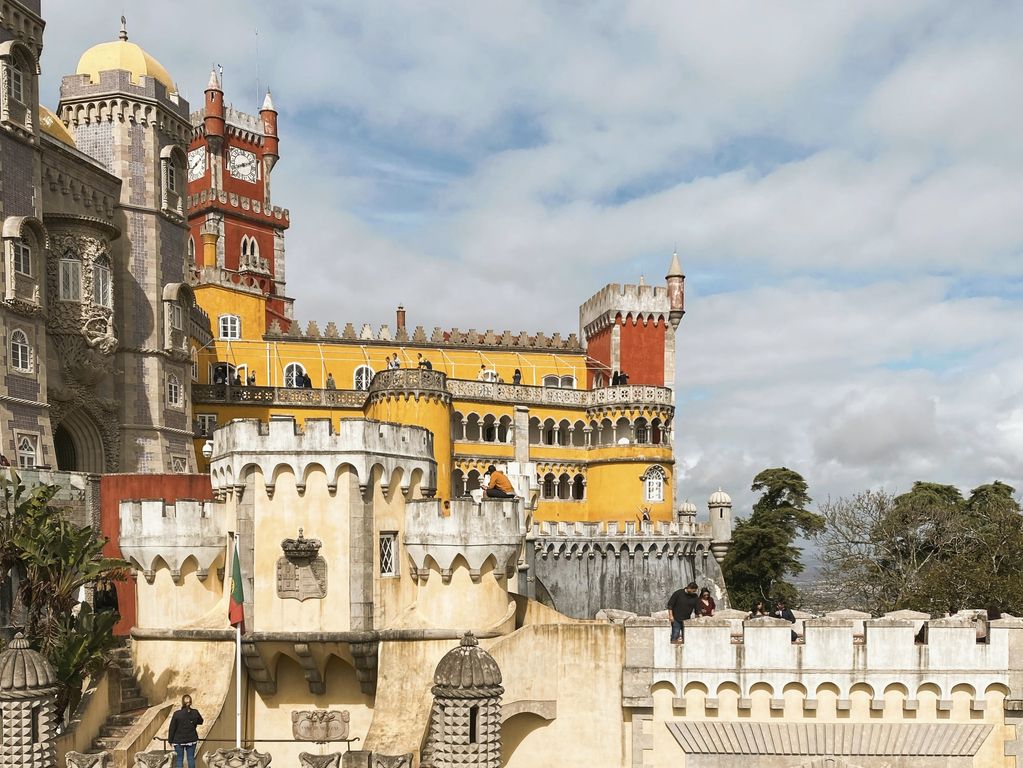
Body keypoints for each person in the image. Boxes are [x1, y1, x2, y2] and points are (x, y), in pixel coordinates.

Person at [168, 694, 203, 768]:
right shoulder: (195, 712)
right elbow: (201, 721)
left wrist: (170, 740)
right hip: (192, 739)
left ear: (182, 702)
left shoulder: (177, 714)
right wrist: (193, 722)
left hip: (178, 740)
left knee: (179, 759)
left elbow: (172, 728)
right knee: (191, 758)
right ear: (191, 702)